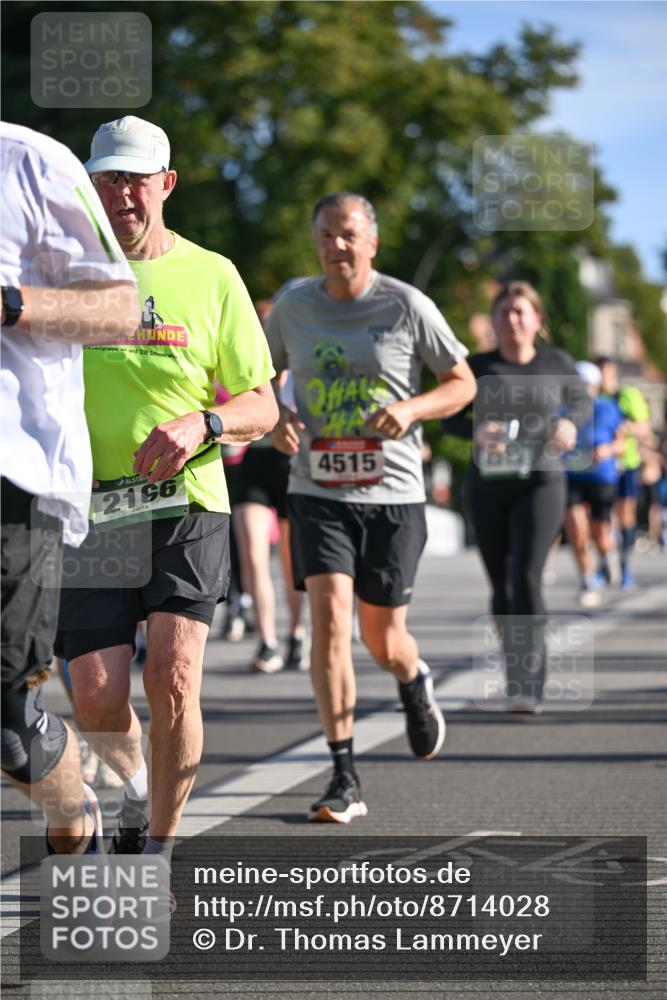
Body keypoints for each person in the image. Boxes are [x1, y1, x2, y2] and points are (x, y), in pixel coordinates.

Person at [55, 116, 277, 861]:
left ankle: (158, 843)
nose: (121, 193)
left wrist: (204, 424)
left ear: (166, 186)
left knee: (174, 675)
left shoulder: (212, 275)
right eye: (107, 178)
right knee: (96, 694)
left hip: (187, 502)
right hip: (92, 508)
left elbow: (263, 404)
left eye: (135, 179)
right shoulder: (63, 275)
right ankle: (130, 780)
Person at [266, 192, 476, 823]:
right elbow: (258, 374)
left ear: (372, 242)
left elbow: (463, 382)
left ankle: (412, 679)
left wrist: (410, 410)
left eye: (349, 234)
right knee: (330, 619)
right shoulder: (294, 307)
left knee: (382, 637)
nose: (338, 246)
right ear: (316, 242)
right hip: (318, 488)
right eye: (327, 234)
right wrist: (277, 414)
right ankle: (343, 774)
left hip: (394, 493)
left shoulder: (407, 305)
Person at [1, 121, 140, 853]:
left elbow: (118, 309)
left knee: (5, 720)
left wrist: (10, 305)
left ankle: (70, 811)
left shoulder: (29, 160)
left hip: (14, 474)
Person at [442, 280, 591, 714]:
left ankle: (531, 682)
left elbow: (582, 403)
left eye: (521, 312)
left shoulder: (556, 362)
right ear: (494, 320)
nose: (512, 319)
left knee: (526, 574)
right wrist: (476, 429)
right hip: (488, 483)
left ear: (537, 321)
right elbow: (447, 416)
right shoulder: (478, 365)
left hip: (542, 480)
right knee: (502, 587)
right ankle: (514, 672)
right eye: (504, 312)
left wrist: (570, 425)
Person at [233, 299, 308, 674]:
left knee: (294, 559)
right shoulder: (243, 368)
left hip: (292, 465)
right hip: (254, 465)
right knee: (253, 554)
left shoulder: (300, 367)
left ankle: (296, 632)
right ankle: (268, 640)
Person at [563, 361, 624, 607]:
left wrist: (607, 449)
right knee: (576, 528)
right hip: (571, 475)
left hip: (601, 476)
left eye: (586, 385)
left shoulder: (607, 408)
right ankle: (587, 578)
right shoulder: (563, 410)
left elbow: (620, 442)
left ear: (596, 386)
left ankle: (608, 554)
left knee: (599, 533)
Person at [596, 357, 651, 588]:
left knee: (625, 514)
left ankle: (626, 565)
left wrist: (624, 427)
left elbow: (644, 427)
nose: (604, 379)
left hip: (626, 463)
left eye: (608, 373)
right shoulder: (592, 397)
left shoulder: (627, 395)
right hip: (599, 466)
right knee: (600, 518)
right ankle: (604, 565)